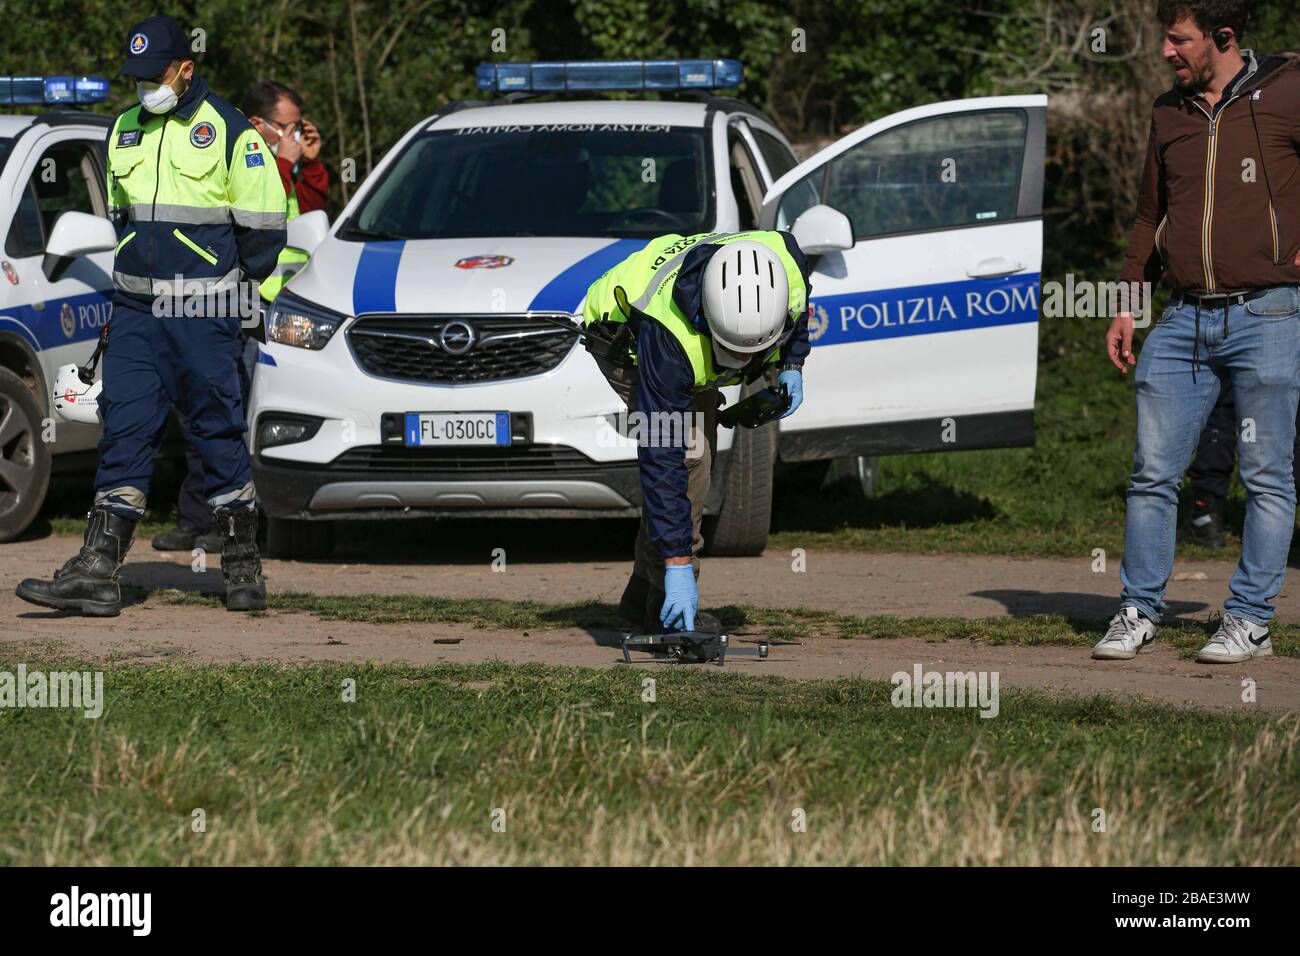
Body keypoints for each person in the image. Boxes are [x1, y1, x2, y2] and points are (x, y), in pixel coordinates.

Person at [15, 15, 286, 616]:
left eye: (153, 75)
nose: (143, 87)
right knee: (126, 431)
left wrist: (233, 293)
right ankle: (98, 570)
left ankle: (242, 566)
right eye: (135, 76)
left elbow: (265, 230)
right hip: (136, 310)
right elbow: (123, 220)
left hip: (204, 309)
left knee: (216, 431)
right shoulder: (123, 129)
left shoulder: (232, 133)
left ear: (185, 70)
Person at [1098, 0, 1300, 664]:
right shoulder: (1168, 112)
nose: (1166, 52)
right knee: (1152, 472)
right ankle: (1138, 608)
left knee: (1267, 475)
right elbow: (1148, 212)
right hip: (1182, 316)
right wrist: (1130, 302)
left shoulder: (1289, 89)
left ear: (1223, 37)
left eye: (1178, 40)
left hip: (1268, 312)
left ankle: (1248, 619)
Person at [583, 231, 811, 633]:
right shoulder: (669, 342)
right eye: (734, 351)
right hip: (623, 339)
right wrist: (678, 567)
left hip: (689, 345)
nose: (744, 362)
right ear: (708, 318)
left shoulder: (786, 264)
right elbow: (661, 459)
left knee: (693, 463)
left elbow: (799, 310)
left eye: (753, 352)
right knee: (688, 460)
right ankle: (664, 606)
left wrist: (791, 363)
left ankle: (641, 593)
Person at [151, 79, 328, 554]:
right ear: (258, 126)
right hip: (234, 304)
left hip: (284, 313)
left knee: (252, 420)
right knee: (207, 412)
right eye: (288, 126)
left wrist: (306, 165)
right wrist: (286, 162)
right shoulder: (244, 162)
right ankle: (199, 520)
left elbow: (313, 215)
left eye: (299, 125)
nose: (297, 133)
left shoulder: (290, 169)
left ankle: (240, 523)